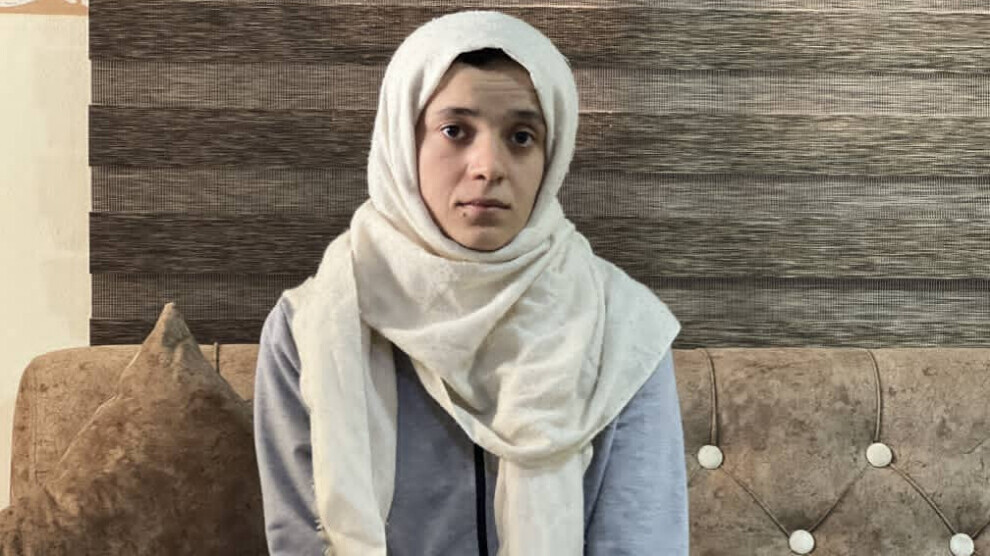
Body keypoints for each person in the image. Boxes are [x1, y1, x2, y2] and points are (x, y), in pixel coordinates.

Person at [253, 10, 688, 556]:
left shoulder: (624, 331)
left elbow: (640, 542)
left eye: (521, 137)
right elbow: (302, 541)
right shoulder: (309, 328)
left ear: (552, 156)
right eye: (455, 131)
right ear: (402, 139)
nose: (488, 166)